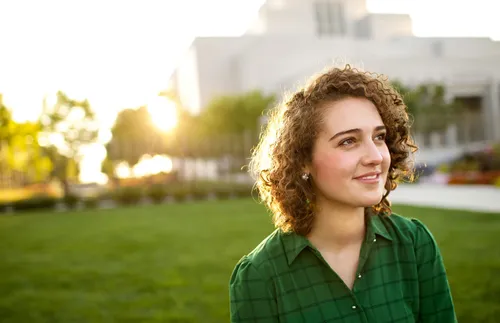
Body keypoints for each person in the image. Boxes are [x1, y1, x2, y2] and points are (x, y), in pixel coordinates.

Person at [229, 65, 456, 322]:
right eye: (348, 141)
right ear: (303, 159)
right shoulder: (259, 276)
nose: (375, 157)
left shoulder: (415, 245)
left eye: (379, 137)